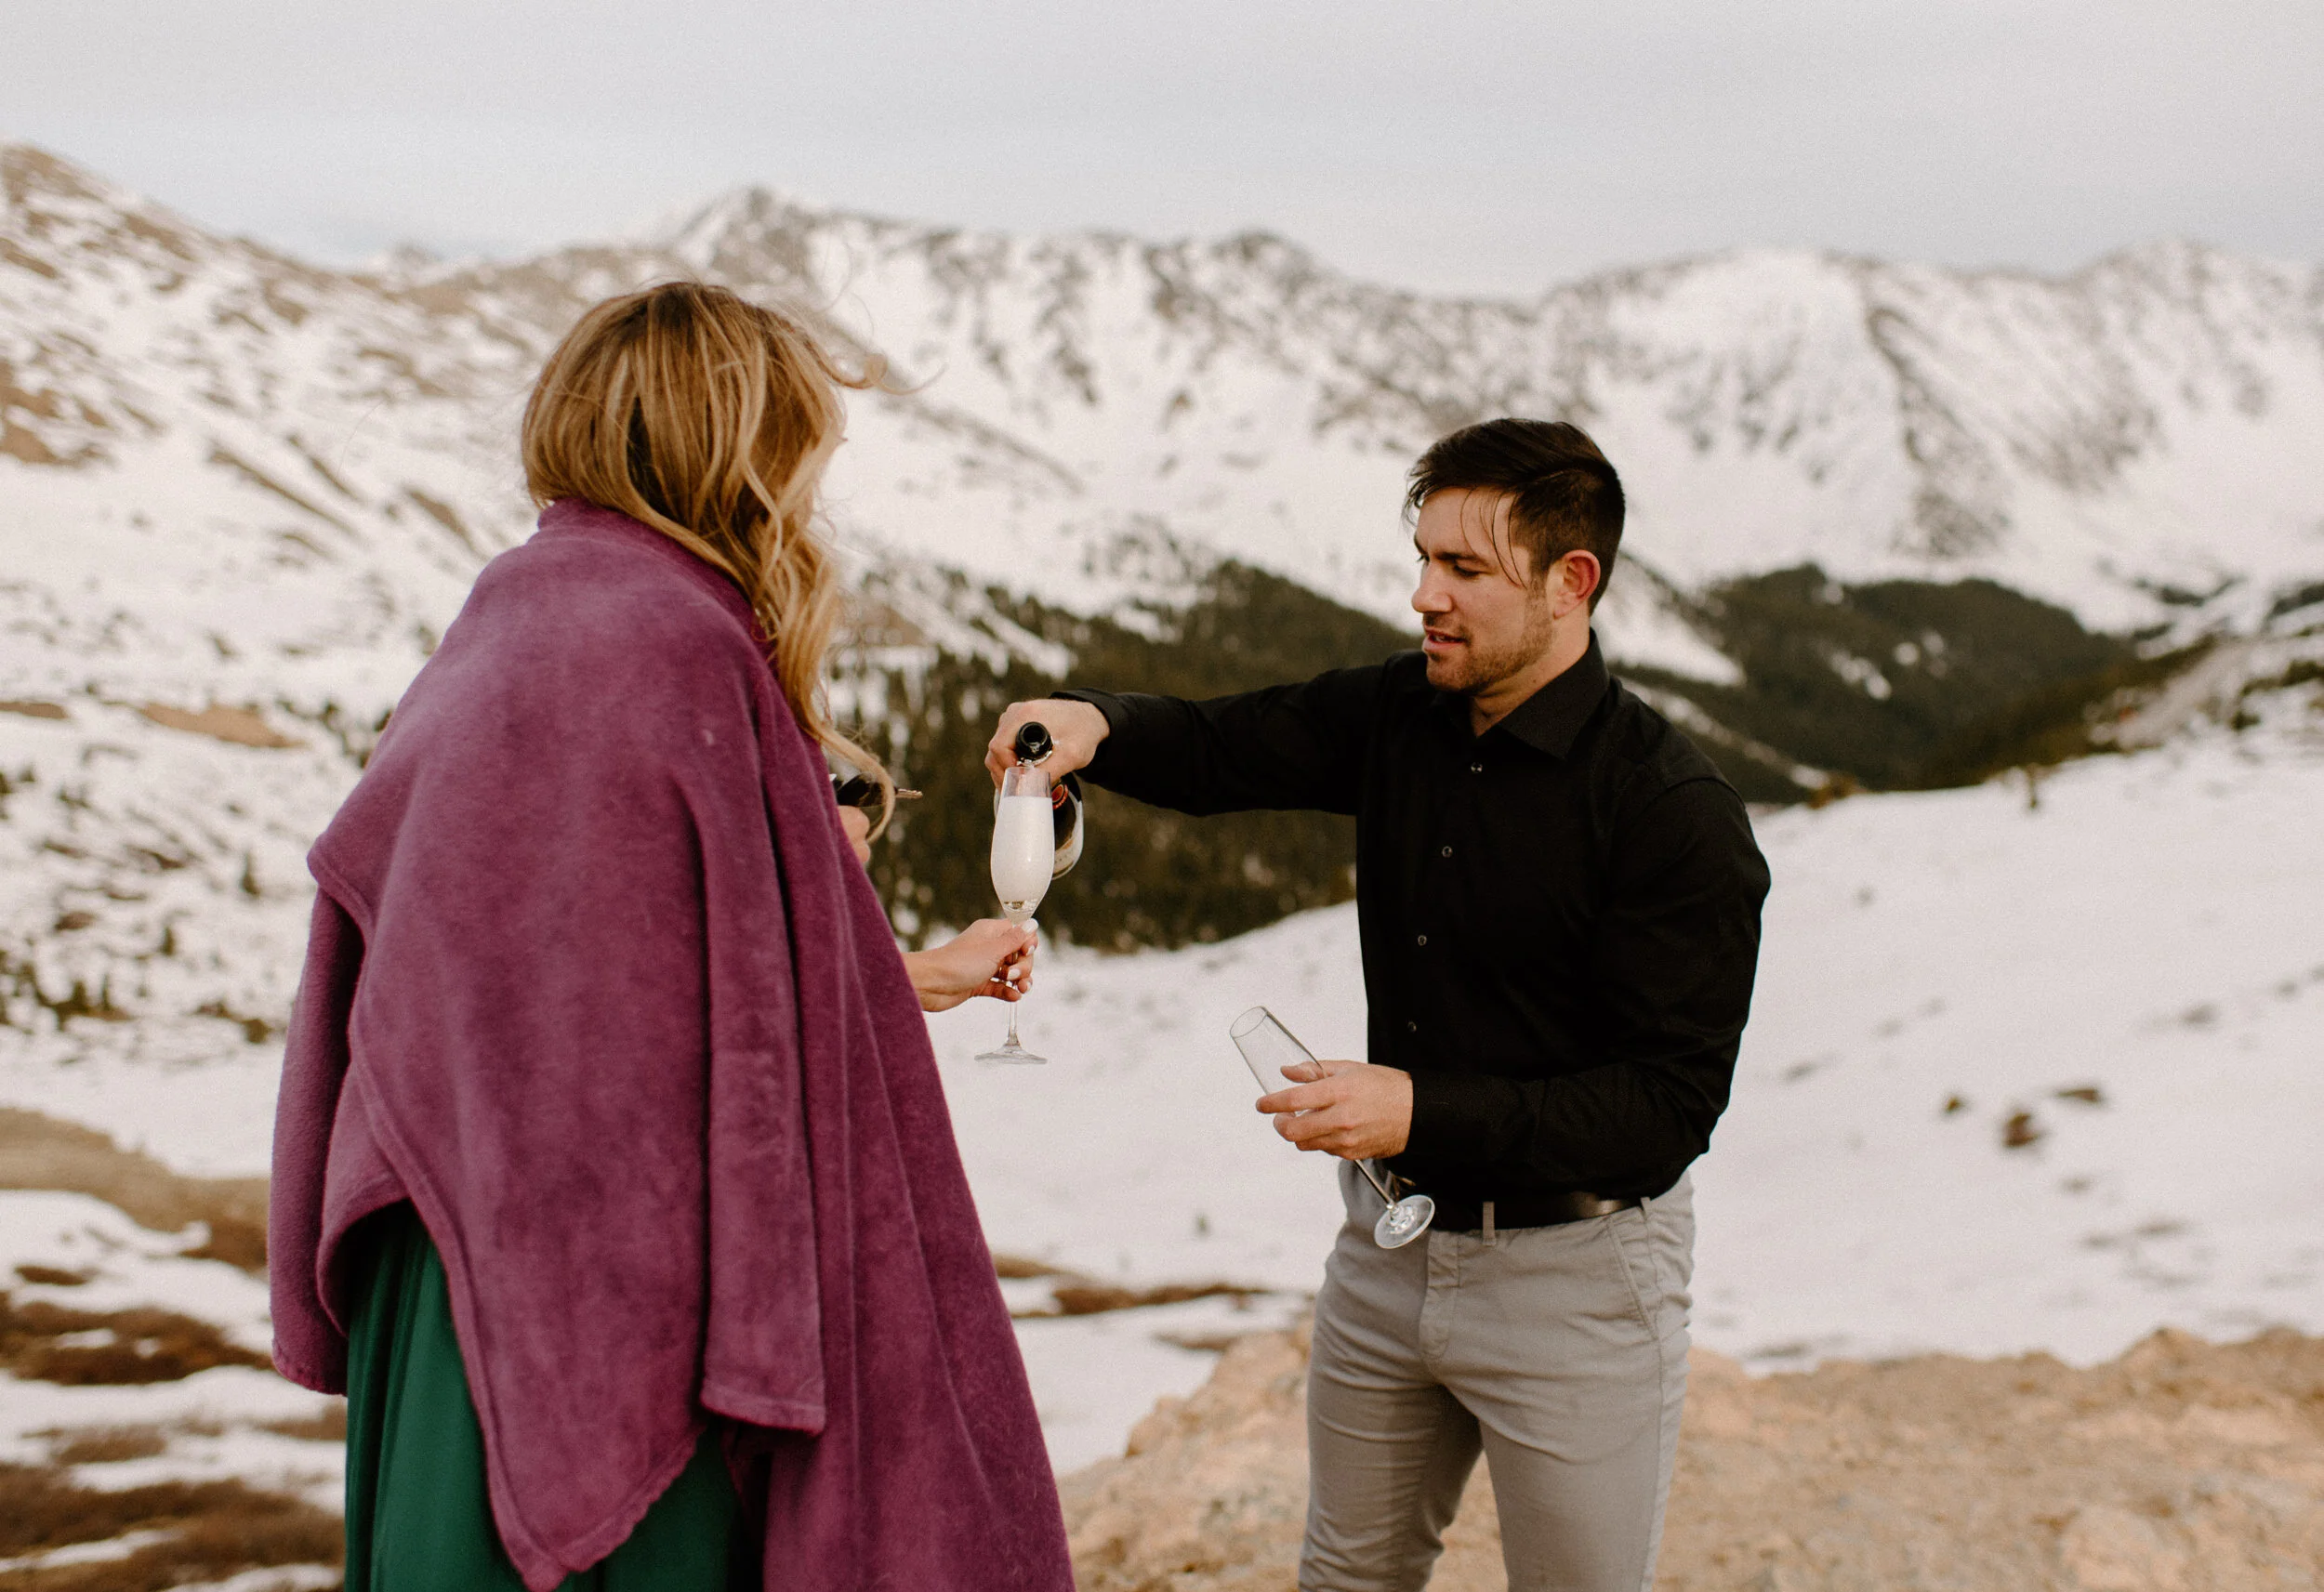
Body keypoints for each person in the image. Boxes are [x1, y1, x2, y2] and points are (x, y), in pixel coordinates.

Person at [271, 282, 1076, 1592]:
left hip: (469, 1250)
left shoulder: (524, 609)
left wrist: (884, 959)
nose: (808, 505)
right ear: (737, 457)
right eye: (800, 463)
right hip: (602, 1291)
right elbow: (629, 1023)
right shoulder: (664, 638)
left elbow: (571, 968)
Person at [984, 418, 1770, 1592]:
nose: (1423, 598)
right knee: (1346, 1578)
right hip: (1386, 1250)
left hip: (1580, 1275)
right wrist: (1100, 723)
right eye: (1422, 559)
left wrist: (1419, 1110)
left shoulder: (1671, 811)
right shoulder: (1404, 714)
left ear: (1572, 582)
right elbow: (1223, 746)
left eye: (1462, 570)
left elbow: (1664, 1109)